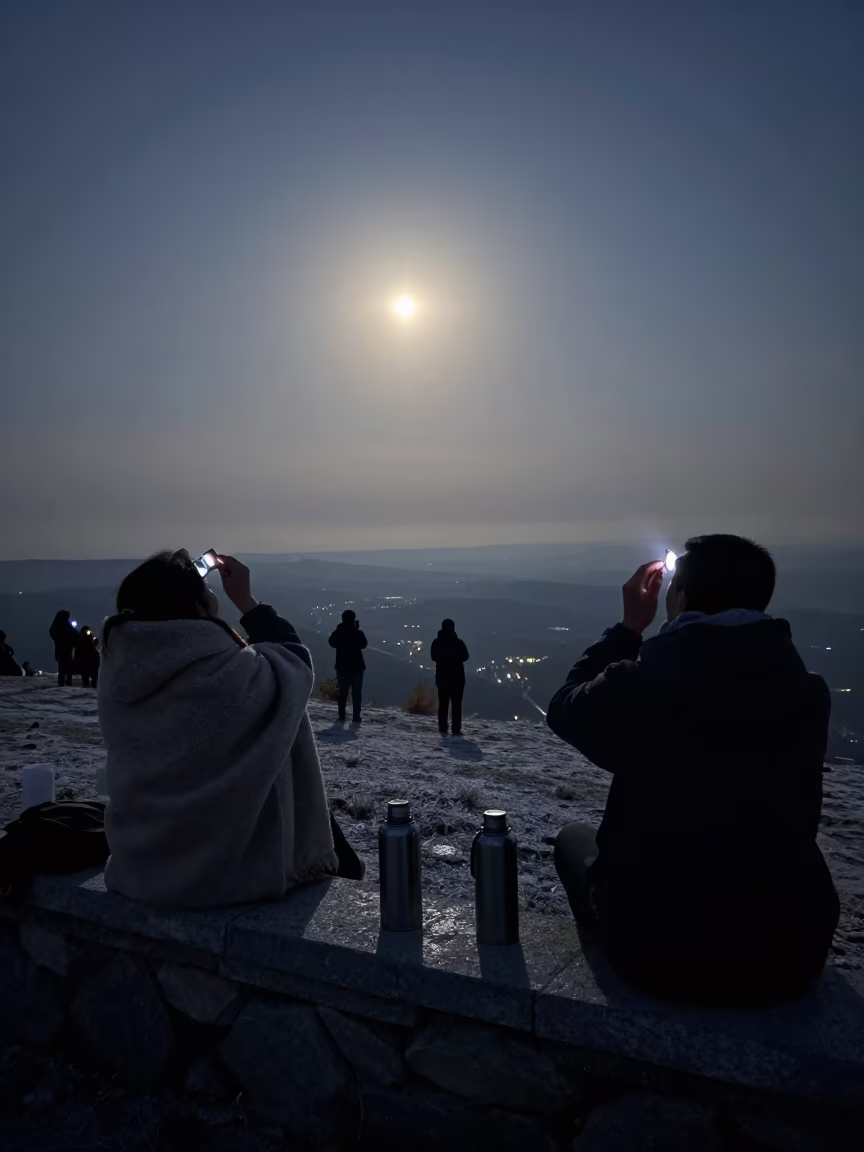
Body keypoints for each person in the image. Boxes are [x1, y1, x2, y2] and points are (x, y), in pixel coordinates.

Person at [547, 535, 839, 1007]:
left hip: (663, 956)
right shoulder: (807, 693)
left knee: (573, 841)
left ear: (679, 598)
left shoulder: (643, 686)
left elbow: (565, 708)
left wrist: (628, 628)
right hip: (791, 951)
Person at [98, 550, 362, 909]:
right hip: (228, 876)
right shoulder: (230, 678)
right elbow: (295, 666)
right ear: (196, 607)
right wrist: (247, 602)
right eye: (205, 592)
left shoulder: (118, 675)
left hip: (142, 867)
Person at [430, 619, 469, 736]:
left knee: (443, 704)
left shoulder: (437, 642)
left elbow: (433, 657)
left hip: (442, 679)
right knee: (456, 705)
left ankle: (443, 728)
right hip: (457, 679)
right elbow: (465, 656)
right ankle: (456, 729)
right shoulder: (458, 642)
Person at [328, 609, 368, 723]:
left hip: (342, 667)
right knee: (356, 694)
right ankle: (356, 718)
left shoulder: (339, 632)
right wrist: (356, 629)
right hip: (357, 668)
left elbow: (331, 642)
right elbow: (364, 644)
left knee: (343, 693)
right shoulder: (357, 632)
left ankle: (342, 716)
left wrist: (339, 629)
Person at [49, 611, 79, 686]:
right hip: (65, 650)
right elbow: (76, 635)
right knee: (65, 668)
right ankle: (65, 683)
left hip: (62, 650)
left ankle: (63, 683)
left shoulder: (57, 625)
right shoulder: (64, 626)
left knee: (63, 668)